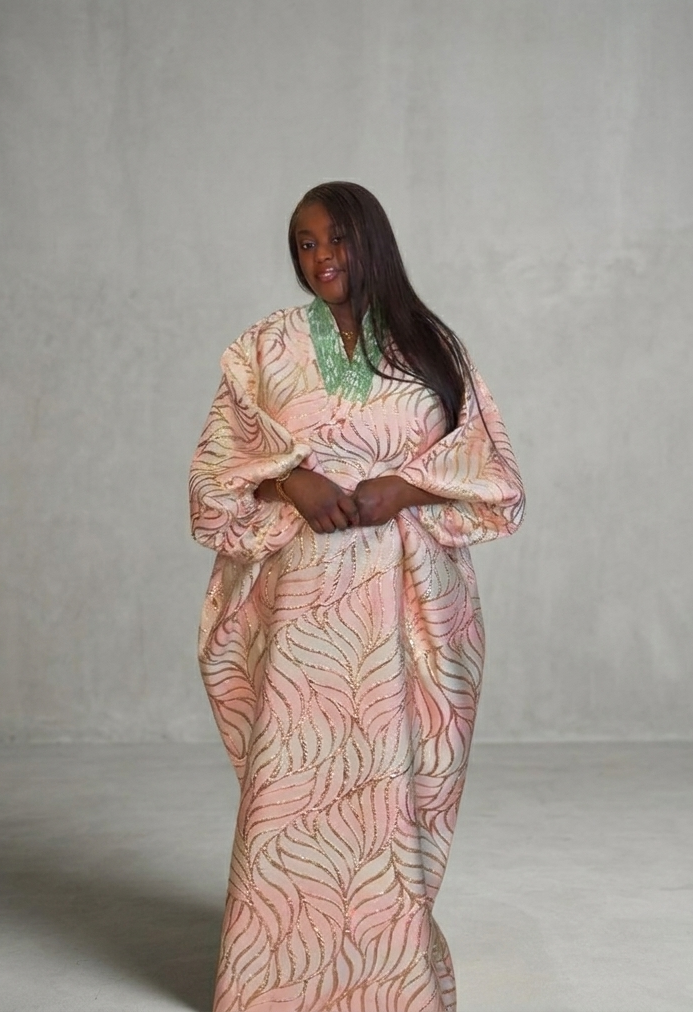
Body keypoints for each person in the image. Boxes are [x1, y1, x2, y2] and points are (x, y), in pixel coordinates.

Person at [189, 182, 524, 1012]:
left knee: (388, 790)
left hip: (397, 613)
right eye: (304, 243)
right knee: (294, 791)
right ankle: (270, 984)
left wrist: (402, 489)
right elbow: (215, 477)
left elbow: (492, 478)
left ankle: (388, 981)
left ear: (370, 240)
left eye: (335, 238)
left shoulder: (431, 348)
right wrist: (292, 481)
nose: (321, 257)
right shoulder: (263, 349)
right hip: (302, 615)